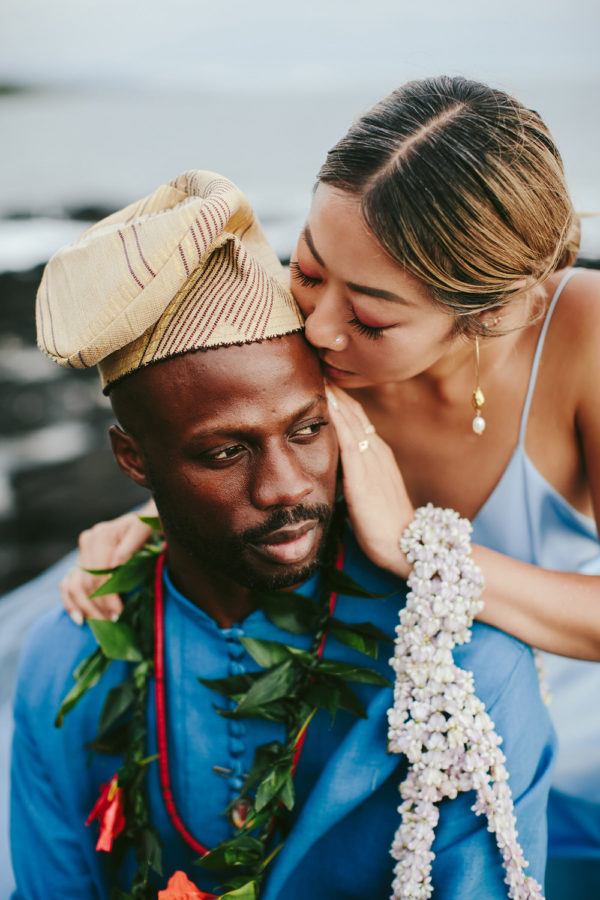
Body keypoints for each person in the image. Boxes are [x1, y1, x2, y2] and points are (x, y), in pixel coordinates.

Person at [61, 77, 600, 892]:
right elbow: (245, 443)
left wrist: (422, 554)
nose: (315, 328)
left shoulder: (587, 338)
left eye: (374, 316)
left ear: (488, 312)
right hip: (409, 755)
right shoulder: (324, 340)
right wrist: (155, 516)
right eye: (308, 269)